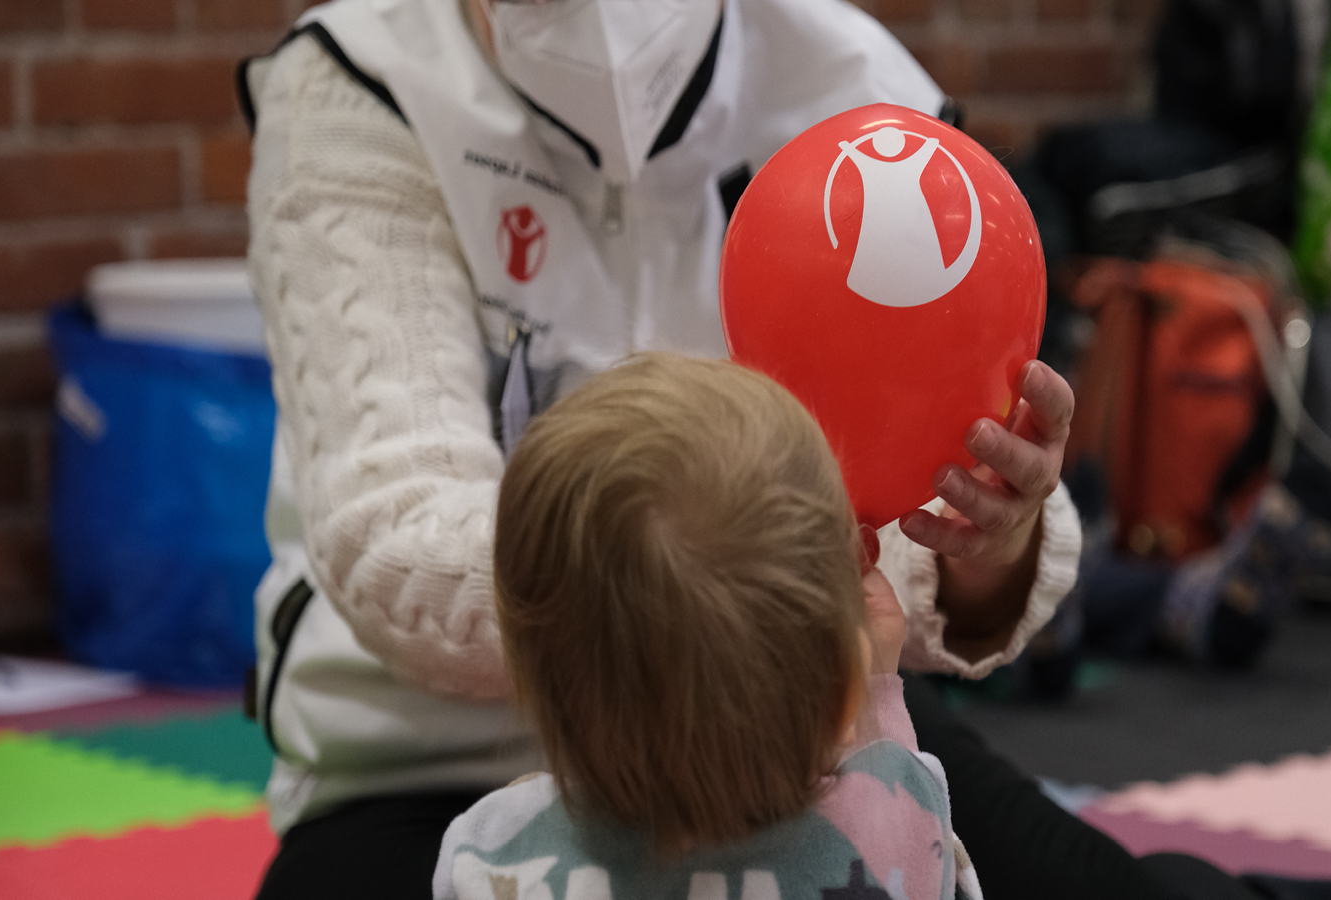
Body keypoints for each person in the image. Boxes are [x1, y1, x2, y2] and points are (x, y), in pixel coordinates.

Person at [241, 0, 1081, 896]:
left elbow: (940, 511)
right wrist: (749, 595)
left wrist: (983, 540)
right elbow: (392, 533)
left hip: (805, 734)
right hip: (430, 765)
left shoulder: (865, 107)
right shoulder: (363, 73)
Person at [437, 352, 980, 900]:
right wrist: (876, 689)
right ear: (841, 700)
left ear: (528, 674)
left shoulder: (493, 853)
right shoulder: (896, 837)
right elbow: (888, 790)